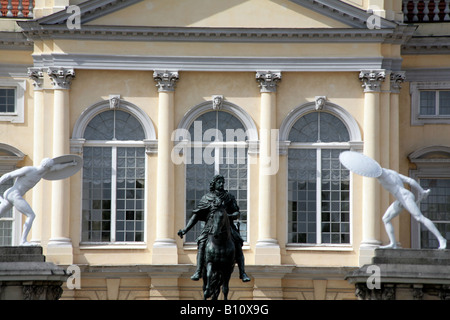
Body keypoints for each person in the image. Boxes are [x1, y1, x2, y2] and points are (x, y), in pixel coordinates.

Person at [178, 175, 250, 282]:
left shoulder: (229, 197)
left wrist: (229, 216)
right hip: (210, 227)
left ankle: (242, 272)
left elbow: (237, 213)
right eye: (219, 182)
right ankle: (198, 271)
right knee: (202, 243)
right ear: (214, 184)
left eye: (223, 182)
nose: (221, 184)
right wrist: (185, 230)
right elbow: (196, 216)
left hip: (227, 226)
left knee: (238, 242)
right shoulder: (207, 198)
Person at [0, 158, 78, 246]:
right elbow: (8, 175)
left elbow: (57, 167)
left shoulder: (43, 172)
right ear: (46, 166)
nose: (51, 169)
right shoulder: (29, 169)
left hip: (12, 194)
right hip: (14, 194)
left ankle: (23, 241)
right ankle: (23, 241)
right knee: (31, 215)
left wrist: (71, 163)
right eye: (50, 167)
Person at [378, 168, 447, 249]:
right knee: (386, 219)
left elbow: (409, 181)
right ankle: (393, 244)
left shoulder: (384, 176)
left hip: (405, 197)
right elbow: (410, 180)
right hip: (401, 199)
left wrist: (422, 191)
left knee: (419, 218)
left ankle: (441, 239)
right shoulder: (391, 172)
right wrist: (421, 190)